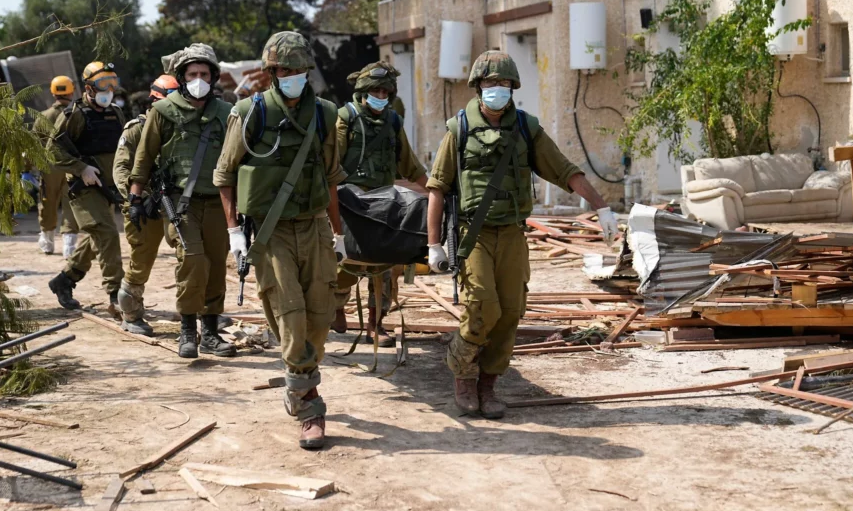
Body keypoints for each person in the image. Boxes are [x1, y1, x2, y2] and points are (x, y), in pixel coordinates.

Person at [426, 50, 620, 419]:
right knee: (483, 306)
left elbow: (564, 170)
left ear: (513, 87)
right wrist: (433, 244)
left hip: (514, 234)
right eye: (489, 83)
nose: (496, 89)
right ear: (477, 87)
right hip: (474, 235)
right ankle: (462, 372)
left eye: (503, 83)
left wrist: (602, 205)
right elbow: (437, 189)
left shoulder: (526, 129)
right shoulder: (458, 130)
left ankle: (488, 385)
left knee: (511, 312)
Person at [214, 31, 346, 450]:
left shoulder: (326, 114)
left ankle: (299, 382)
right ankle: (309, 405)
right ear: (271, 72)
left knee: (321, 317)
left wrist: (339, 233)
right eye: (284, 70)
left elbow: (331, 180)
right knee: (290, 315)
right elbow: (225, 175)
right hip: (270, 232)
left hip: (314, 226)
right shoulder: (248, 113)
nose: (292, 76)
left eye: (299, 70)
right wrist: (234, 231)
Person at [127, 45, 234, 359]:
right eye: (192, 74)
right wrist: (135, 198)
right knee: (192, 260)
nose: (198, 79)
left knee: (215, 266)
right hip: (179, 203)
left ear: (213, 77)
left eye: (203, 74)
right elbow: (144, 158)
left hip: (218, 202)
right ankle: (188, 330)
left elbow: (240, 160)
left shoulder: (227, 113)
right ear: (182, 78)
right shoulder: (163, 112)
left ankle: (211, 332)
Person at [332, 62, 427, 346]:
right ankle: (335, 306)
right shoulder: (344, 119)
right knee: (344, 262)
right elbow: (330, 166)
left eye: (385, 92)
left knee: (385, 266)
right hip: (349, 203)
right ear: (363, 92)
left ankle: (376, 324)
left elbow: (410, 165)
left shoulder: (393, 122)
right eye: (375, 91)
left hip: (385, 205)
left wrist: (437, 189)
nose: (380, 96)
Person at [47, 62, 127, 312]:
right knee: (107, 233)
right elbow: (52, 150)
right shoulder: (74, 114)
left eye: (113, 84)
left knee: (97, 237)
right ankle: (117, 294)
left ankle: (65, 280)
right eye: (103, 85)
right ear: (88, 88)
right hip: (84, 188)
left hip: (109, 186)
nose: (109, 90)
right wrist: (81, 168)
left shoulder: (116, 112)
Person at [111, 72, 180, 336]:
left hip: (173, 203)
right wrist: (136, 198)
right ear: (154, 100)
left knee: (189, 253)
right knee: (141, 260)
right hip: (144, 204)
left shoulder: (179, 128)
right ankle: (131, 313)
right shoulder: (136, 129)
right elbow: (121, 169)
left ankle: (200, 312)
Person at [37, 75, 80, 257]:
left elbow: (35, 145)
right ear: (71, 91)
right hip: (72, 166)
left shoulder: (43, 117)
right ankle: (69, 248)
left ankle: (47, 243)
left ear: (53, 93)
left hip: (49, 167)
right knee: (71, 202)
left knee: (48, 202)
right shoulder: (76, 115)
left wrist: (26, 170)